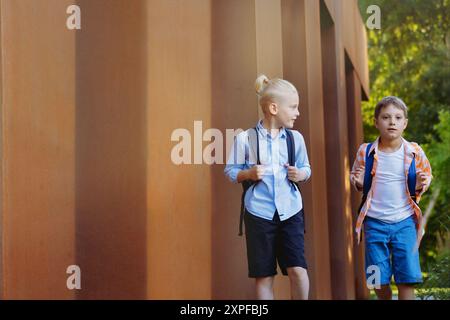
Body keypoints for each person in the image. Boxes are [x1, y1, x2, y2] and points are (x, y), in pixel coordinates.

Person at [224, 74, 311, 300]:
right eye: (293, 107)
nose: (297, 112)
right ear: (274, 108)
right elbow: (231, 171)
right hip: (259, 213)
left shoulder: (296, 139)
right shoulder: (245, 139)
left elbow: (306, 169)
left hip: (291, 212)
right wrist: (249, 173)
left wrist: (299, 173)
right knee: (264, 277)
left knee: (298, 271)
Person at [350, 96, 432, 300]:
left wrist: (422, 183)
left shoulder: (414, 151)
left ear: (405, 123)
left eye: (397, 117)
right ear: (376, 122)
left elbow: (425, 176)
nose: (392, 122)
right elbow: (357, 180)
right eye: (386, 117)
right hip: (374, 223)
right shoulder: (365, 151)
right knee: (376, 279)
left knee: (407, 278)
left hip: (405, 223)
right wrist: (358, 181)